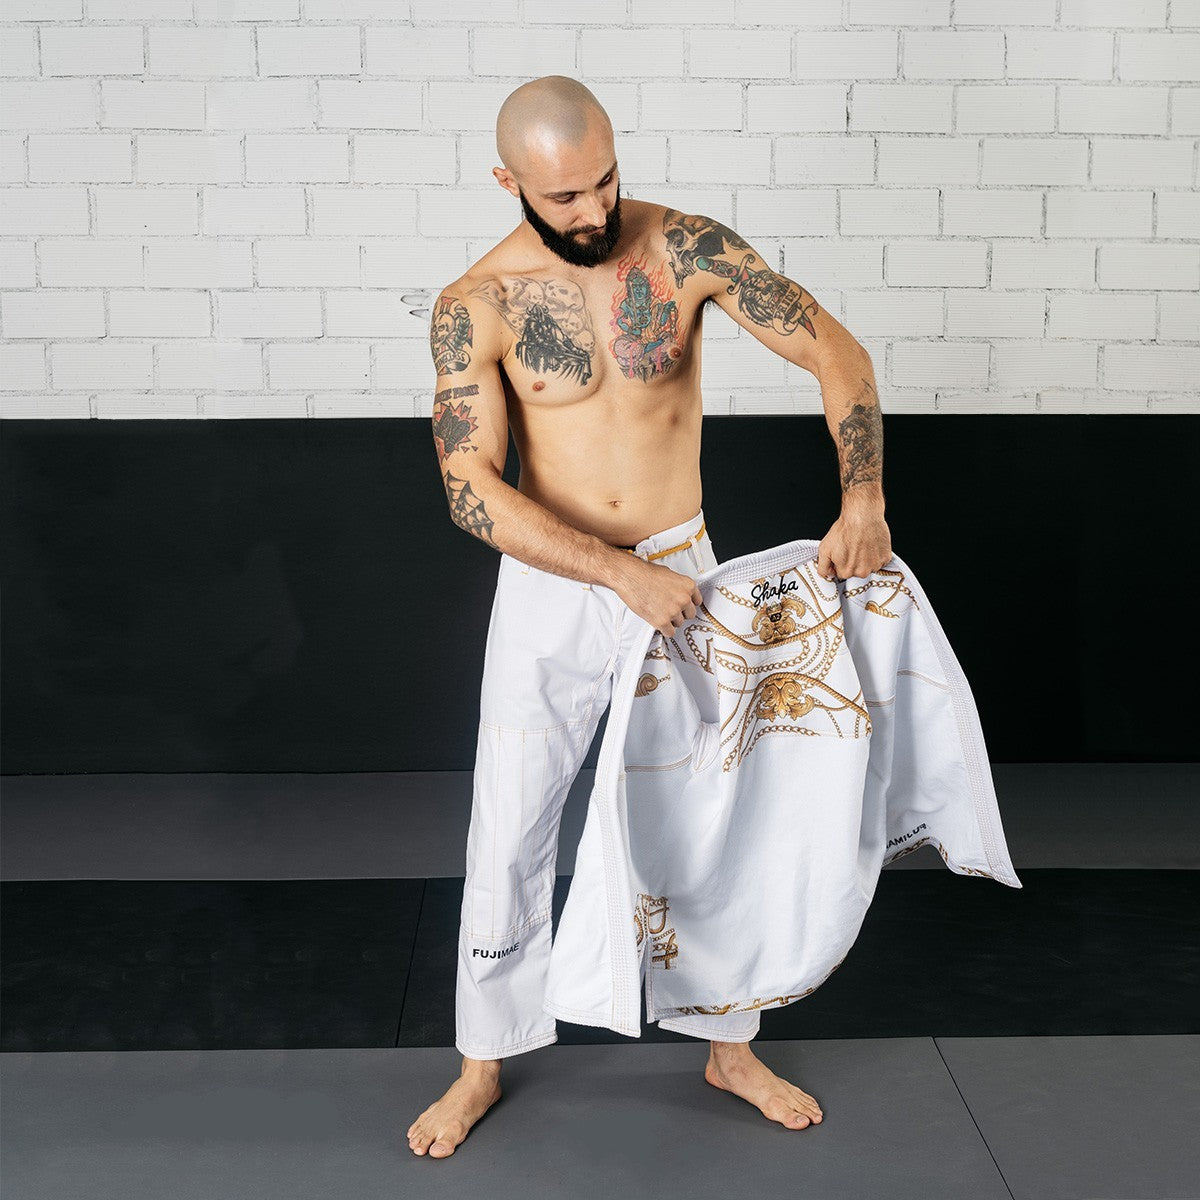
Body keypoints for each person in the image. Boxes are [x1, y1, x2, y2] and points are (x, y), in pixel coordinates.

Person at [410, 74, 892, 1159]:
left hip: (684, 570)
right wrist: (610, 575)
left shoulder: (685, 251)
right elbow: (469, 487)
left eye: (605, 182)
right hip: (559, 583)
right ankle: (484, 1059)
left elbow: (836, 351)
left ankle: (729, 1043)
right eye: (566, 196)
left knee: (713, 819)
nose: (592, 212)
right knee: (515, 820)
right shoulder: (474, 304)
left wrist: (862, 494)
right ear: (510, 183)